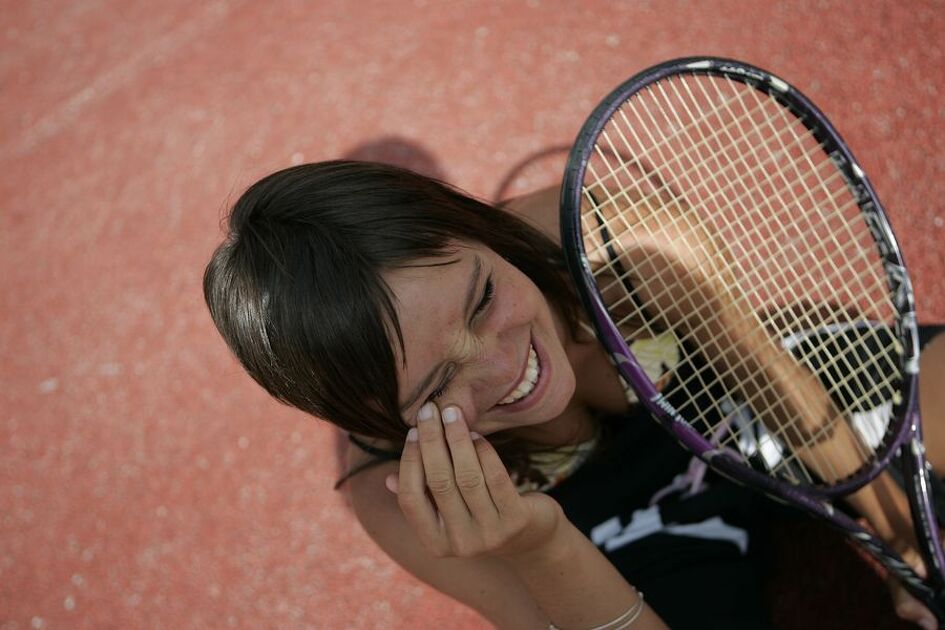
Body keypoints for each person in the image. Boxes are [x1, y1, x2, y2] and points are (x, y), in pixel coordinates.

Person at [203, 160, 945, 628]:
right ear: (382, 422)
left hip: (727, 391)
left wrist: (907, 547)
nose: (502, 368)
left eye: (482, 299)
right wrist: (541, 544)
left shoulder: (616, 237)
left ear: (478, 227)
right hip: (601, 524)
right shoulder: (391, 495)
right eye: (438, 386)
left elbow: (775, 379)